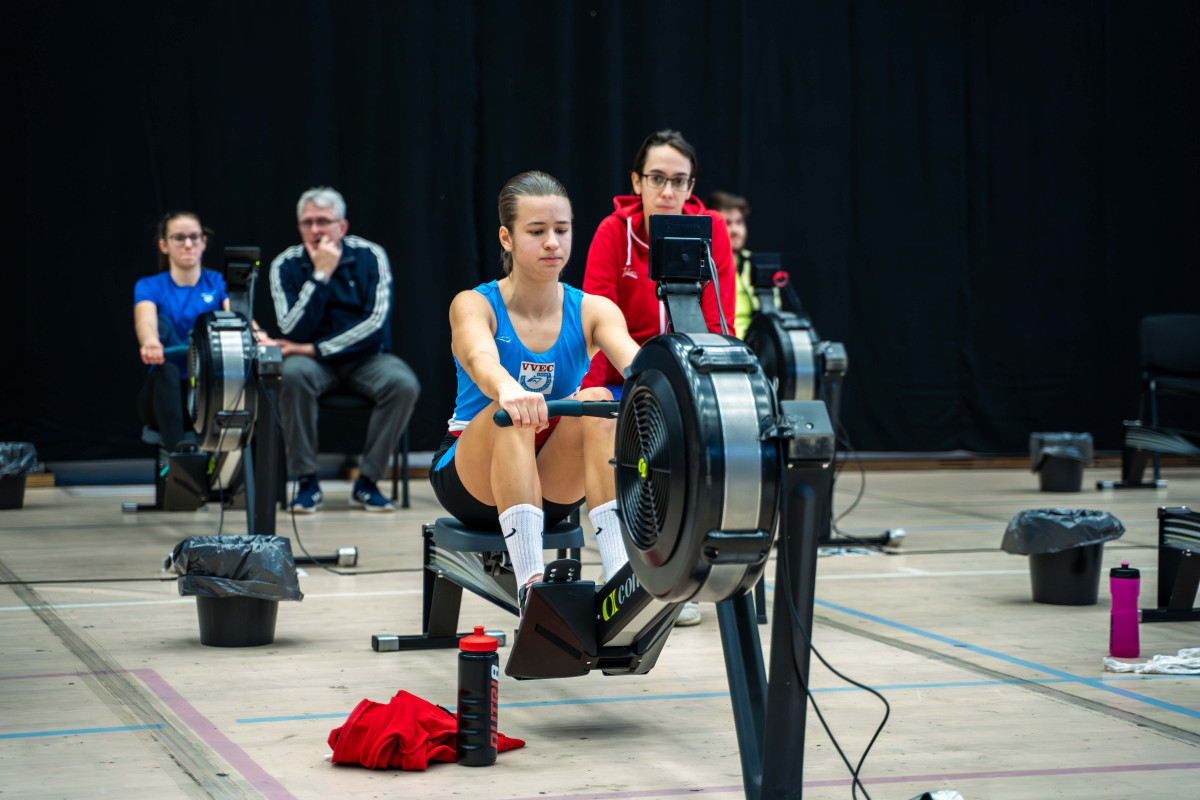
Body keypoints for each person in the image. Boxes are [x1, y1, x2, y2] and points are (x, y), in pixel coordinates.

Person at [430, 171, 640, 610]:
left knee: (600, 402)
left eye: (561, 230)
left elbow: (639, 368)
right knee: (512, 414)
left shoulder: (594, 310)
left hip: (549, 483)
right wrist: (508, 388)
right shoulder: (474, 303)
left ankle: (622, 578)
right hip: (471, 480)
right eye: (537, 231)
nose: (552, 243)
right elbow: (479, 358)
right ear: (506, 238)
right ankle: (531, 589)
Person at [581, 130, 737, 626]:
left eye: (679, 181)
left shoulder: (712, 229)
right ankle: (622, 572)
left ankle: (678, 573)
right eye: (656, 179)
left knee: (701, 437)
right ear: (637, 181)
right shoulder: (613, 232)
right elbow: (596, 319)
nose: (668, 191)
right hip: (625, 379)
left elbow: (719, 321)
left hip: (688, 381)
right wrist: (593, 389)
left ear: (692, 185)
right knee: (601, 417)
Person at [265, 187, 420, 513]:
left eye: (323, 221)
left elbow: (375, 324)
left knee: (403, 384)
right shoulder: (285, 264)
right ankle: (306, 482)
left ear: (342, 226)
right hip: (311, 366)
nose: (315, 230)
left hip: (365, 358)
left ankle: (368, 482)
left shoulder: (371, 255)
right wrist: (320, 275)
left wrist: (314, 349)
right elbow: (290, 328)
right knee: (290, 375)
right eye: (307, 222)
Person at [134, 211, 229, 451]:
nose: (188, 244)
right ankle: (181, 456)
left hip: (210, 391)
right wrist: (150, 341)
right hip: (165, 397)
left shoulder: (219, 283)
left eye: (194, 237)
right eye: (179, 238)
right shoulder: (150, 286)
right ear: (164, 245)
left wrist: (258, 336)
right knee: (166, 371)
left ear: (203, 242)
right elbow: (145, 321)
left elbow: (240, 318)